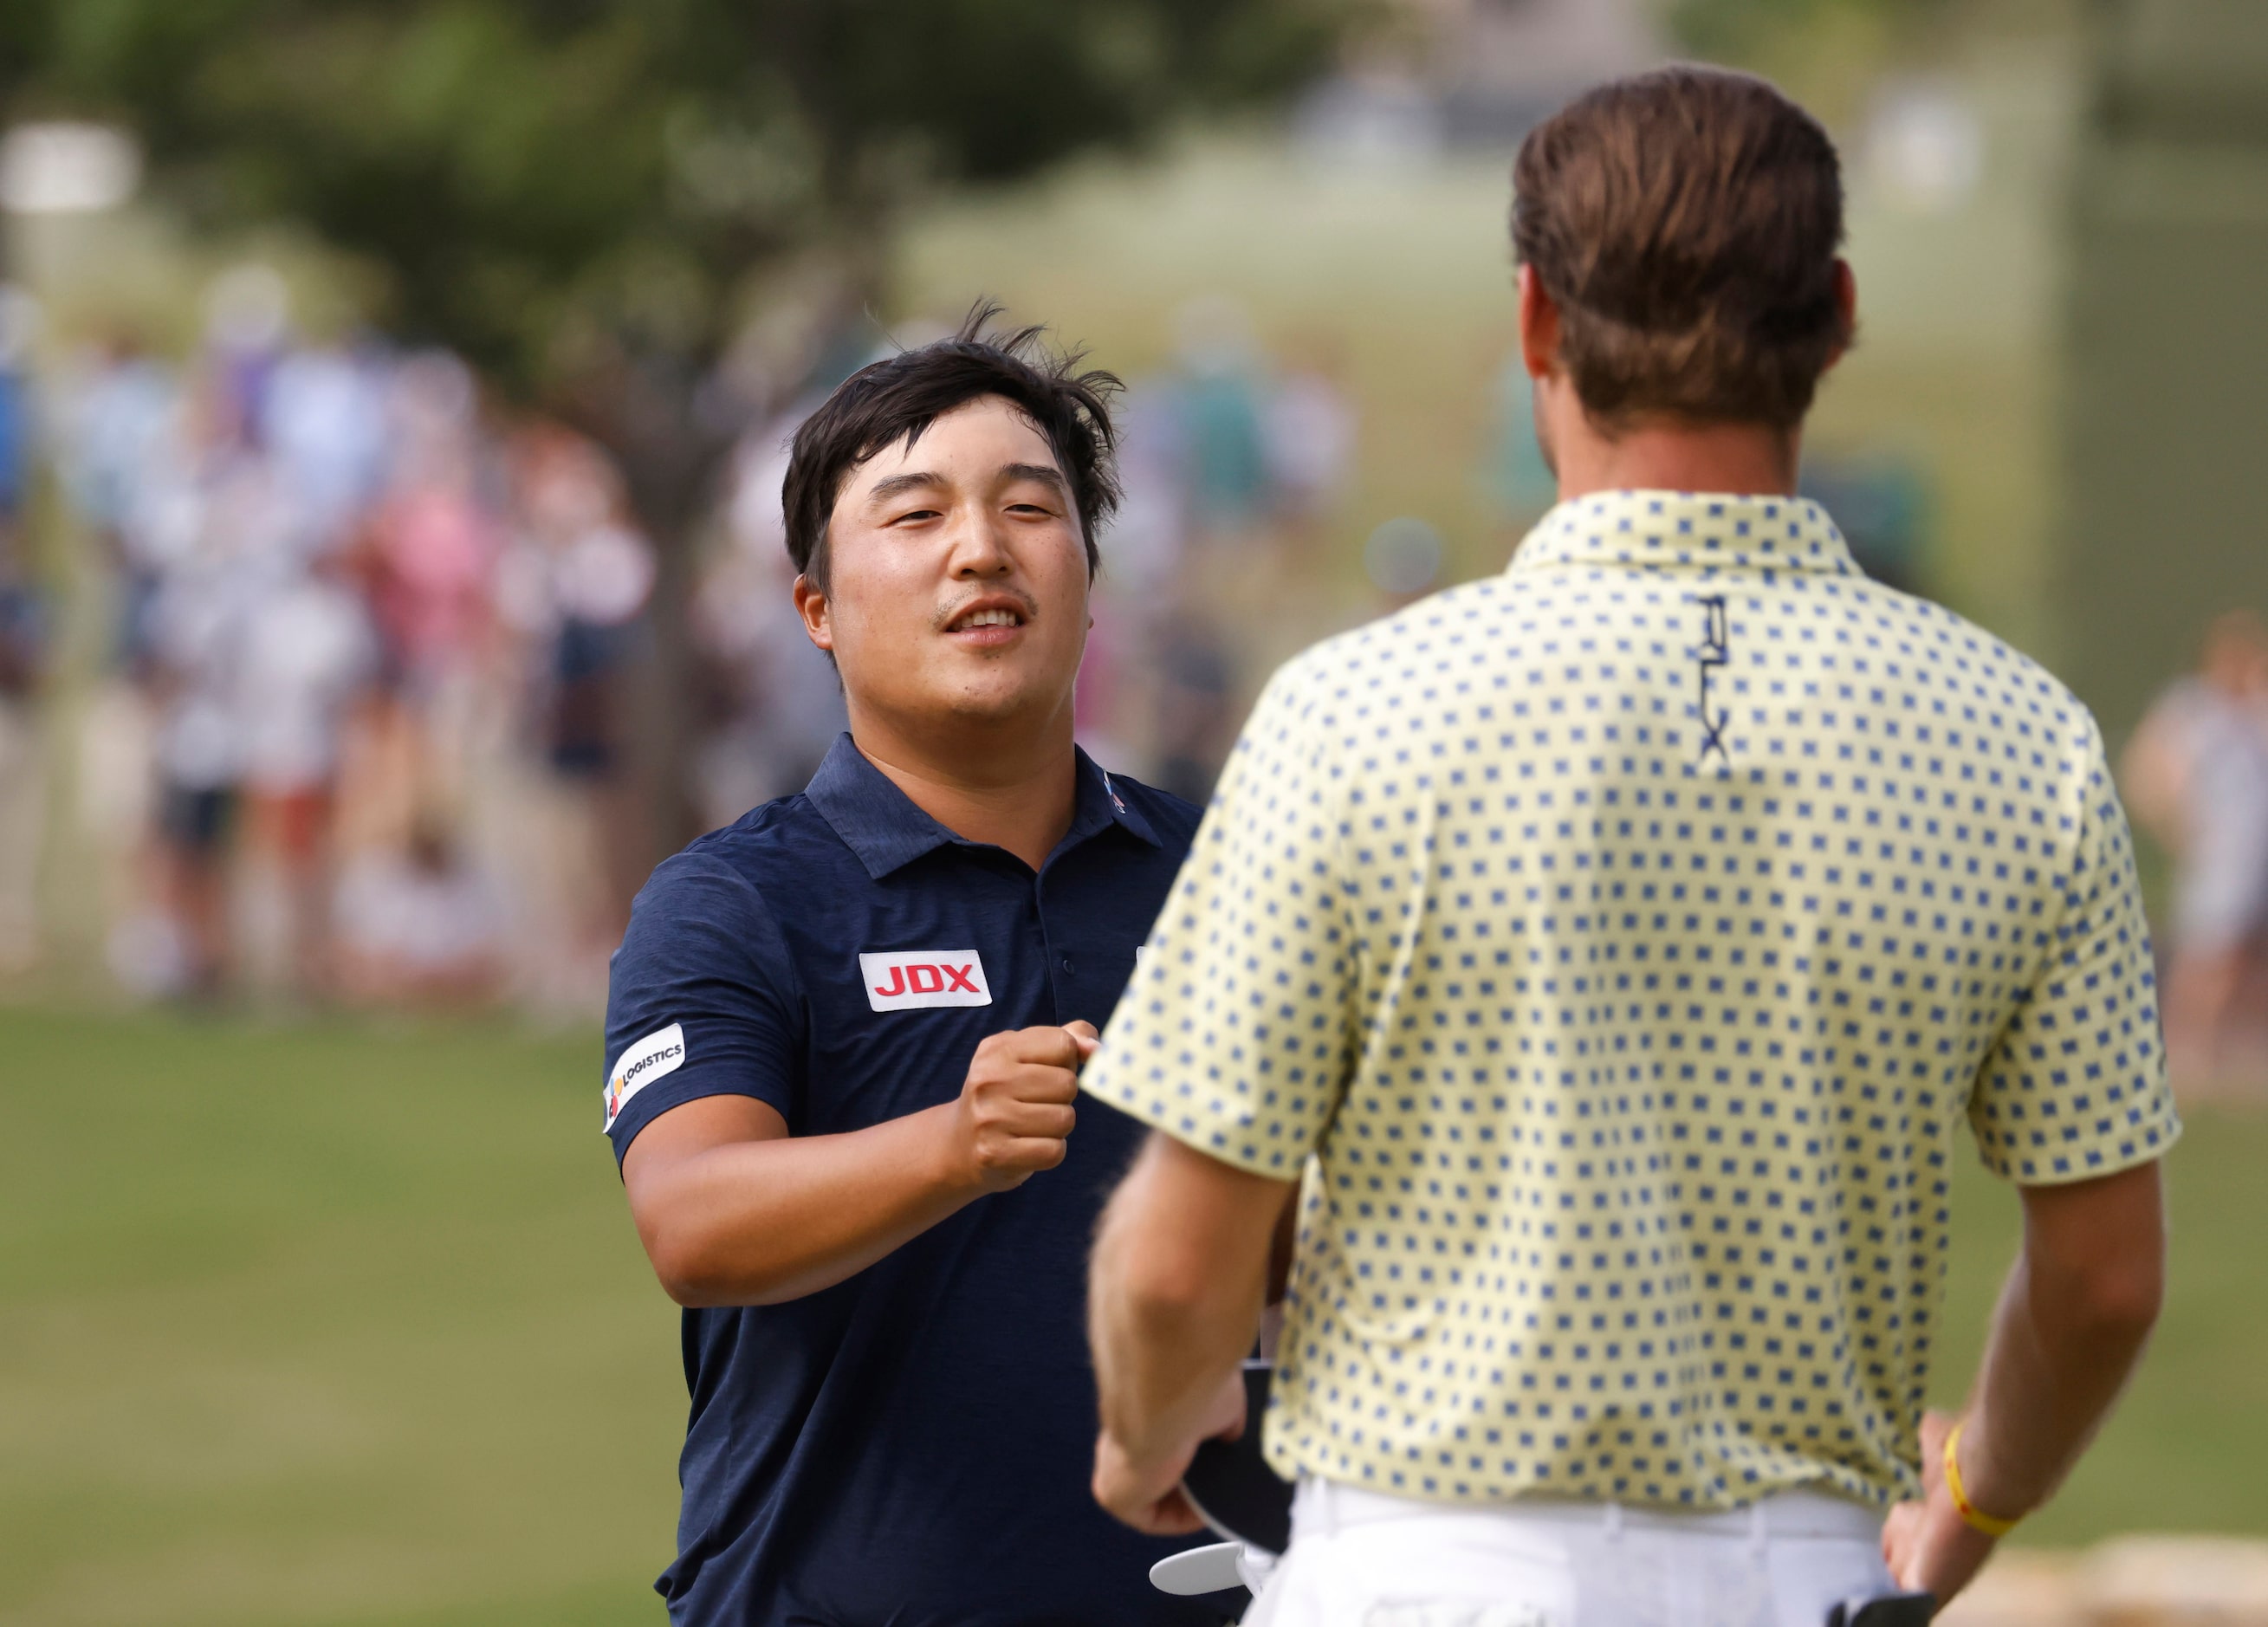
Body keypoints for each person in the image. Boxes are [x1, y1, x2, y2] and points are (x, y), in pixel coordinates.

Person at [1081, 66, 2178, 1626]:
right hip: (1802, 1577)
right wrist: (1971, 1498)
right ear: (1837, 313)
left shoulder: (1355, 711)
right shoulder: (2018, 742)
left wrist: (1141, 1427)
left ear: (1534, 322)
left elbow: (1182, 1268)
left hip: (1421, 1572)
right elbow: (2102, 1274)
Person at [602, 310, 1227, 1624]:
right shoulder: (736, 901)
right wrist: (954, 1142)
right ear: (816, 609)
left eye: (1028, 507)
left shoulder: (1229, 869)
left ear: (1090, 579)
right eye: (914, 514)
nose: (980, 548)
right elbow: (692, 1220)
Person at [2122, 609, 2268, 1082]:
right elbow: (2147, 772)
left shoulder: (2256, 711)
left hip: (2257, 854)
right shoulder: (2191, 708)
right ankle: (2183, 1054)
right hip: (2221, 854)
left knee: (2247, 962)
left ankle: (2236, 1060)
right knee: (2209, 958)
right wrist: (2177, 825)